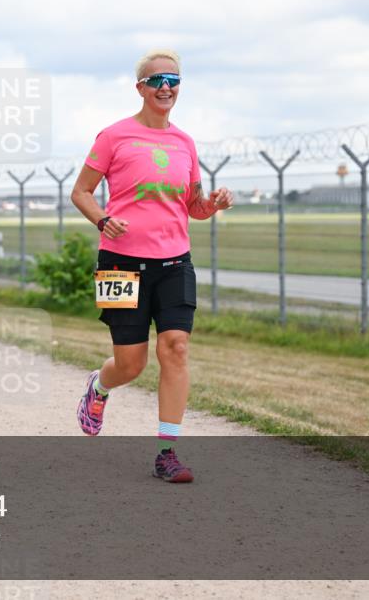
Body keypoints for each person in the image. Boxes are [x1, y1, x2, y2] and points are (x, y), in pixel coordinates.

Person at [70, 49, 233, 483]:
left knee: (175, 347)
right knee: (132, 364)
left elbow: (193, 206)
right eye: (157, 80)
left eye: (174, 80)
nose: (166, 87)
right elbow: (81, 192)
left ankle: (167, 452)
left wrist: (210, 205)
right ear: (140, 87)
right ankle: (99, 387)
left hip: (174, 262)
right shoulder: (113, 136)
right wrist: (103, 219)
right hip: (120, 264)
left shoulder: (185, 143)